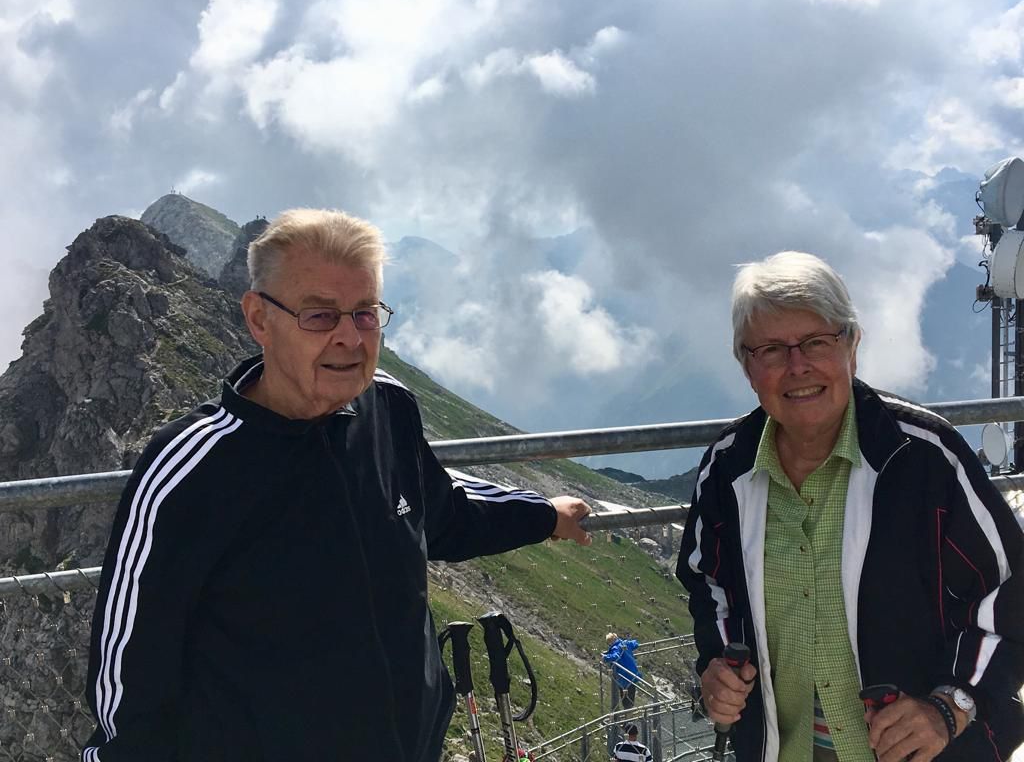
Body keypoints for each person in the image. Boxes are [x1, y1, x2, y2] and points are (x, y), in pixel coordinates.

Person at [81, 208, 593, 762]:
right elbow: (129, 681)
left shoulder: (388, 408)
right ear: (259, 319)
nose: (350, 337)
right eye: (320, 315)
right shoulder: (192, 470)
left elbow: (442, 515)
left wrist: (545, 515)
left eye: (365, 313)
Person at [676, 251, 1024, 762]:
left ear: (852, 345)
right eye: (771, 349)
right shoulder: (726, 470)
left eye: (818, 341)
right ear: (747, 366)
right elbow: (709, 586)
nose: (798, 367)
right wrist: (717, 669)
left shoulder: (926, 461)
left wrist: (949, 706)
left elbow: (1007, 591)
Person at [603, 632, 642, 708]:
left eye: (609, 643)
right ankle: (630, 713)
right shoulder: (625, 643)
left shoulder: (615, 647)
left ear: (611, 642)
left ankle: (628, 715)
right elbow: (635, 643)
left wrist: (605, 658)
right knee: (631, 694)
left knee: (625, 698)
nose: (609, 645)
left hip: (624, 675)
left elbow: (615, 656)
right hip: (633, 673)